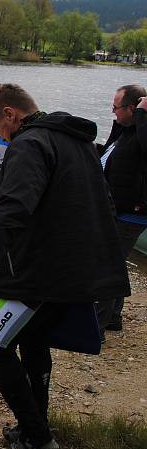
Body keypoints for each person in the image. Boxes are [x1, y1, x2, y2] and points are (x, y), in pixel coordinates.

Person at [0, 84, 129, 449]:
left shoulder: (29, 144)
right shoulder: (76, 142)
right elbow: (98, 203)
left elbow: (12, 210)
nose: (1, 137)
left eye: (0, 129)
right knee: (33, 341)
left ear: (9, 115)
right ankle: (32, 429)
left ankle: (39, 438)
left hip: (41, 274)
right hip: (76, 269)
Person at [96, 84, 147, 334]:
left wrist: (143, 115)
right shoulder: (124, 133)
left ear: (131, 108)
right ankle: (113, 318)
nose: (112, 111)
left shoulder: (141, 133)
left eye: (116, 107)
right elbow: (107, 155)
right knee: (114, 264)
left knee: (106, 265)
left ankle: (98, 324)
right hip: (114, 209)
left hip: (131, 214)